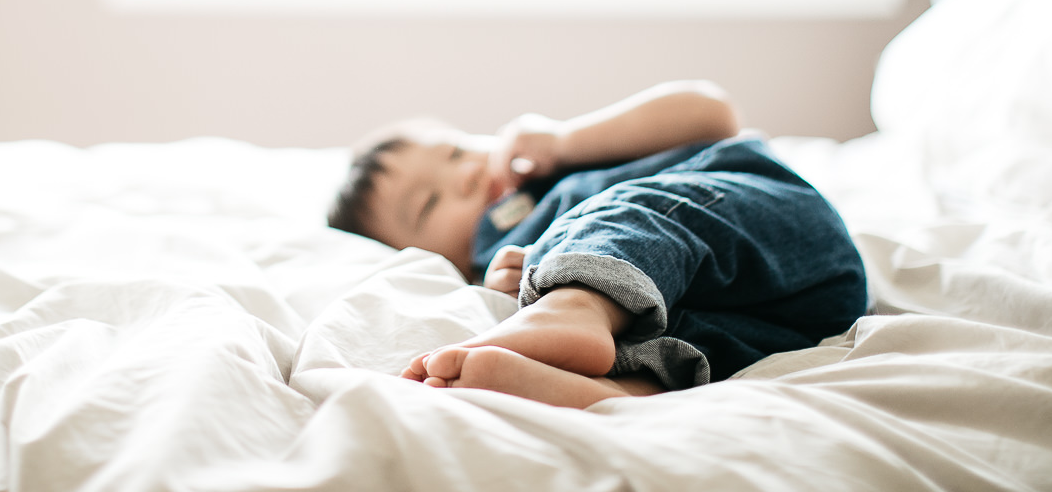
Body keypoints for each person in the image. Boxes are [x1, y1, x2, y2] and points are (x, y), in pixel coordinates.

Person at [326, 80, 868, 408]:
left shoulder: (565, 167)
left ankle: (577, 306)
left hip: (779, 234)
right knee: (663, 341)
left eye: (457, 153)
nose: (467, 177)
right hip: (780, 320)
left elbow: (711, 112)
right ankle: (619, 398)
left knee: (622, 219)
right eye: (429, 205)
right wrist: (516, 276)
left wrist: (566, 141)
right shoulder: (494, 257)